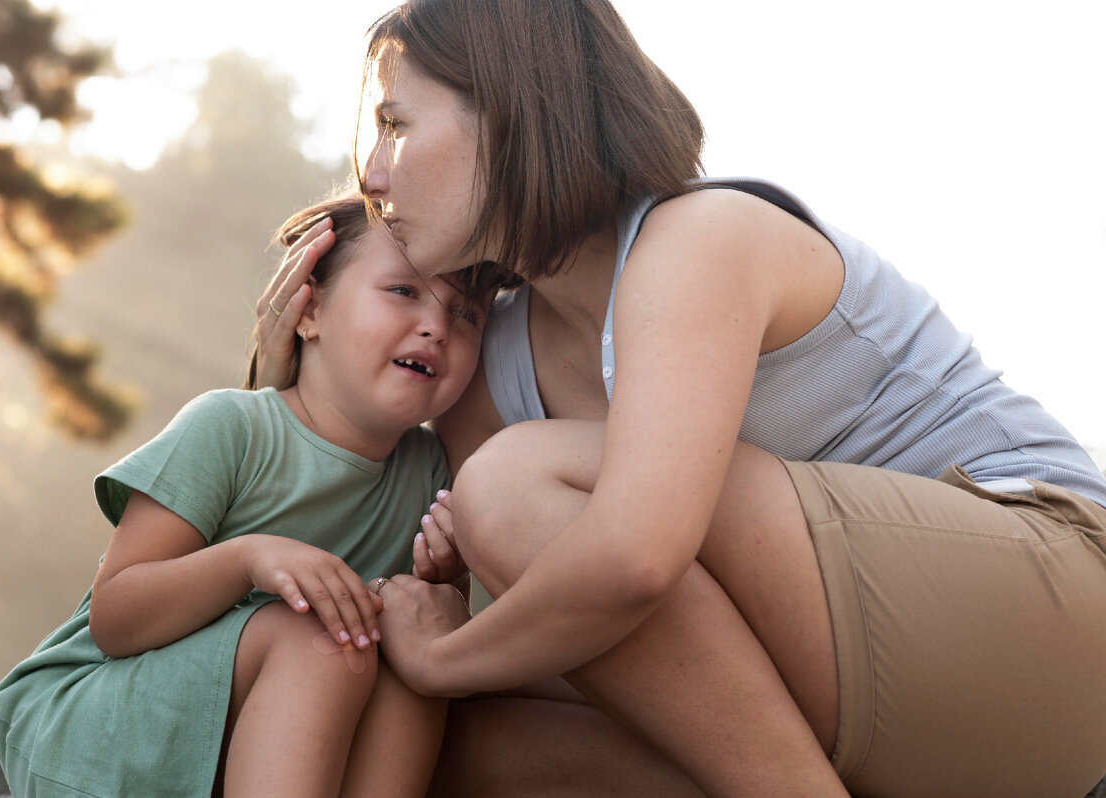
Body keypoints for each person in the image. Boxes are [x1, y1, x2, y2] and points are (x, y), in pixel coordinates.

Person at [253, 2, 1106, 797]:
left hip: (1054, 606)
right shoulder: (495, 366)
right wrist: (294, 389)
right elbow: (536, 625)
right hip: (887, 703)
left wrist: (444, 658)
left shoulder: (699, 239)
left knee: (513, 492)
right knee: (469, 746)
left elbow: (632, 560)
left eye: (395, 124)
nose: (370, 172)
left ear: (512, 114)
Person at [0, 192, 498, 798]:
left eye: (465, 313)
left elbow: (432, 623)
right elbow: (115, 619)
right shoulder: (232, 427)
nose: (437, 326)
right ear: (307, 311)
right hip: (99, 725)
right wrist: (249, 557)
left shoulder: (431, 473)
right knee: (324, 640)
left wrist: (440, 584)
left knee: (405, 655)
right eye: (404, 291)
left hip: (264, 737)